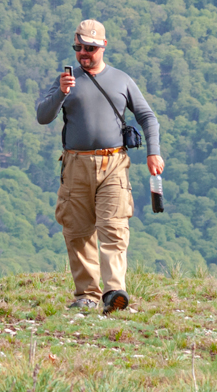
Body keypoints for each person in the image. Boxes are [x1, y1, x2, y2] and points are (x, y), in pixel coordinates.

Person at [35, 19, 164, 313]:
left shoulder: (121, 80)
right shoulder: (65, 82)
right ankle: (86, 295)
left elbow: (147, 117)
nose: (84, 53)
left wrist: (153, 152)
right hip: (75, 165)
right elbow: (43, 116)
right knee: (77, 231)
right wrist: (61, 93)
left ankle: (114, 291)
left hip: (114, 164)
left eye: (90, 48)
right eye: (78, 47)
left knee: (114, 226)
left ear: (103, 46)